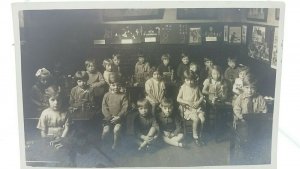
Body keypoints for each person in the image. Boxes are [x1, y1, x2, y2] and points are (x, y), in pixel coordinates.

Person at [177, 70, 205, 145]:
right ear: (184, 80)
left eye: (191, 80)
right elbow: (178, 99)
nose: (189, 82)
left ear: (194, 80)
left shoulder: (196, 87)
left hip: (197, 107)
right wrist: (187, 102)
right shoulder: (183, 87)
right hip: (188, 109)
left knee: (202, 119)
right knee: (196, 119)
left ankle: (200, 136)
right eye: (187, 80)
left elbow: (202, 97)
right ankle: (195, 136)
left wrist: (198, 102)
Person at [101, 74, 128, 150]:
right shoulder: (106, 95)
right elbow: (104, 107)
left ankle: (115, 145)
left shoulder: (123, 96)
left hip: (119, 118)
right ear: (110, 85)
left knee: (116, 129)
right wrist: (109, 117)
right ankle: (103, 144)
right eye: (113, 85)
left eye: (118, 85)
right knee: (106, 130)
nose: (116, 87)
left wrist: (118, 116)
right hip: (108, 118)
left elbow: (125, 108)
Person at [202, 66, 229, 142]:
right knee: (209, 107)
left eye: (218, 74)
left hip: (220, 99)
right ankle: (208, 128)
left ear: (220, 74)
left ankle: (218, 131)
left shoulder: (223, 82)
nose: (216, 76)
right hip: (210, 98)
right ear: (211, 74)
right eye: (214, 74)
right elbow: (203, 91)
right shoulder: (208, 80)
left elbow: (225, 96)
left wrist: (223, 91)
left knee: (220, 111)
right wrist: (210, 92)